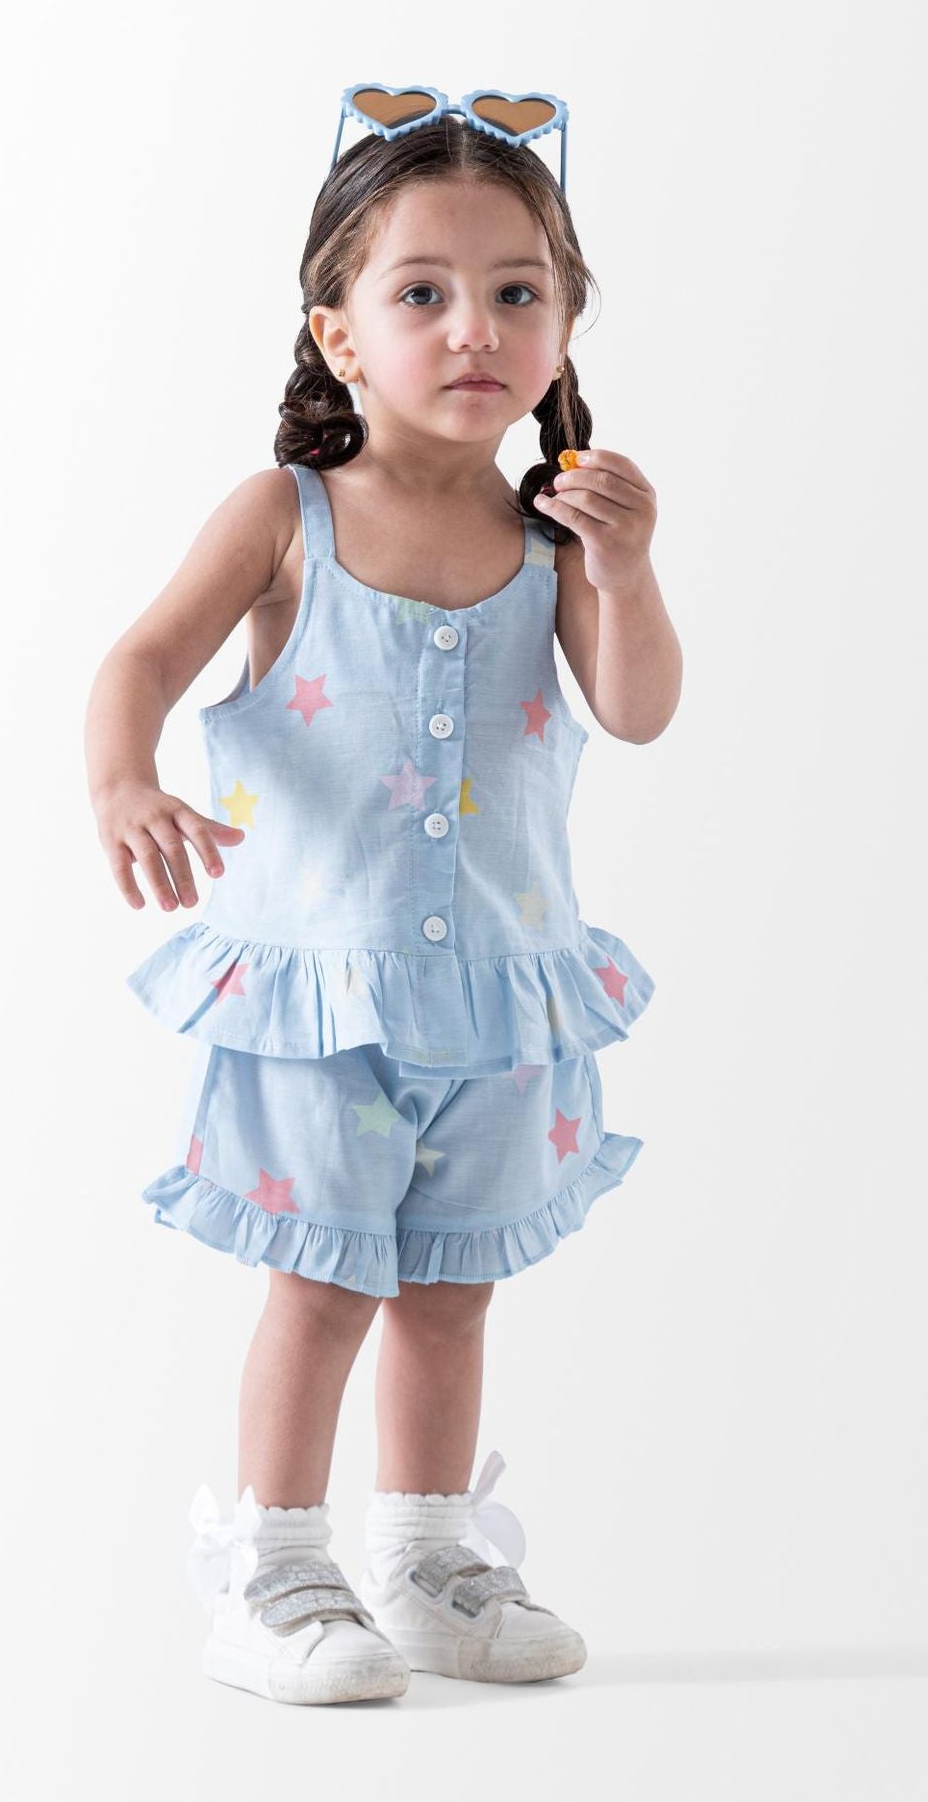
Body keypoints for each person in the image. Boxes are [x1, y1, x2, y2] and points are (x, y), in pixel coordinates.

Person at [84, 96, 681, 1706]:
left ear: (563, 329)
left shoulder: (553, 535)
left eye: (516, 291)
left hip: (501, 995)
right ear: (338, 334)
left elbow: (636, 711)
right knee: (326, 1281)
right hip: (319, 995)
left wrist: (626, 570)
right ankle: (274, 1571)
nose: (474, 327)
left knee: (450, 1289)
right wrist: (127, 782)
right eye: (422, 292)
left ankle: (427, 1560)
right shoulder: (285, 515)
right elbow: (139, 659)